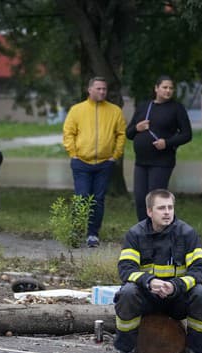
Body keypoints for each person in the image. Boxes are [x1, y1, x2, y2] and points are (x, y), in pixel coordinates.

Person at [114, 189, 202, 353]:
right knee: (127, 293)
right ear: (149, 212)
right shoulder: (135, 235)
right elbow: (126, 269)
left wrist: (175, 285)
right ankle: (127, 351)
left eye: (170, 207)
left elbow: (199, 270)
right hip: (147, 298)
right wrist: (149, 281)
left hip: (177, 298)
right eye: (161, 208)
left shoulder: (187, 234)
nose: (167, 212)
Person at [62, 76, 127, 248]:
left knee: (98, 199)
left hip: (105, 163)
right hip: (81, 162)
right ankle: (76, 231)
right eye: (98, 88)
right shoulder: (77, 110)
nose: (102, 92)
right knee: (81, 197)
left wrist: (115, 156)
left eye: (104, 89)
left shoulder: (115, 111)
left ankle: (93, 234)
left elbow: (121, 134)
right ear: (89, 89)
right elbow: (68, 133)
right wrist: (73, 153)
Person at [125, 75, 193, 222]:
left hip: (162, 161)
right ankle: (144, 231)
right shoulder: (144, 107)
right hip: (141, 162)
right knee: (140, 199)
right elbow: (129, 133)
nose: (168, 91)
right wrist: (137, 127)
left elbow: (187, 134)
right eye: (164, 87)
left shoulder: (177, 108)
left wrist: (167, 143)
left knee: (156, 200)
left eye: (171, 88)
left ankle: (160, 231)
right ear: (156, 88)